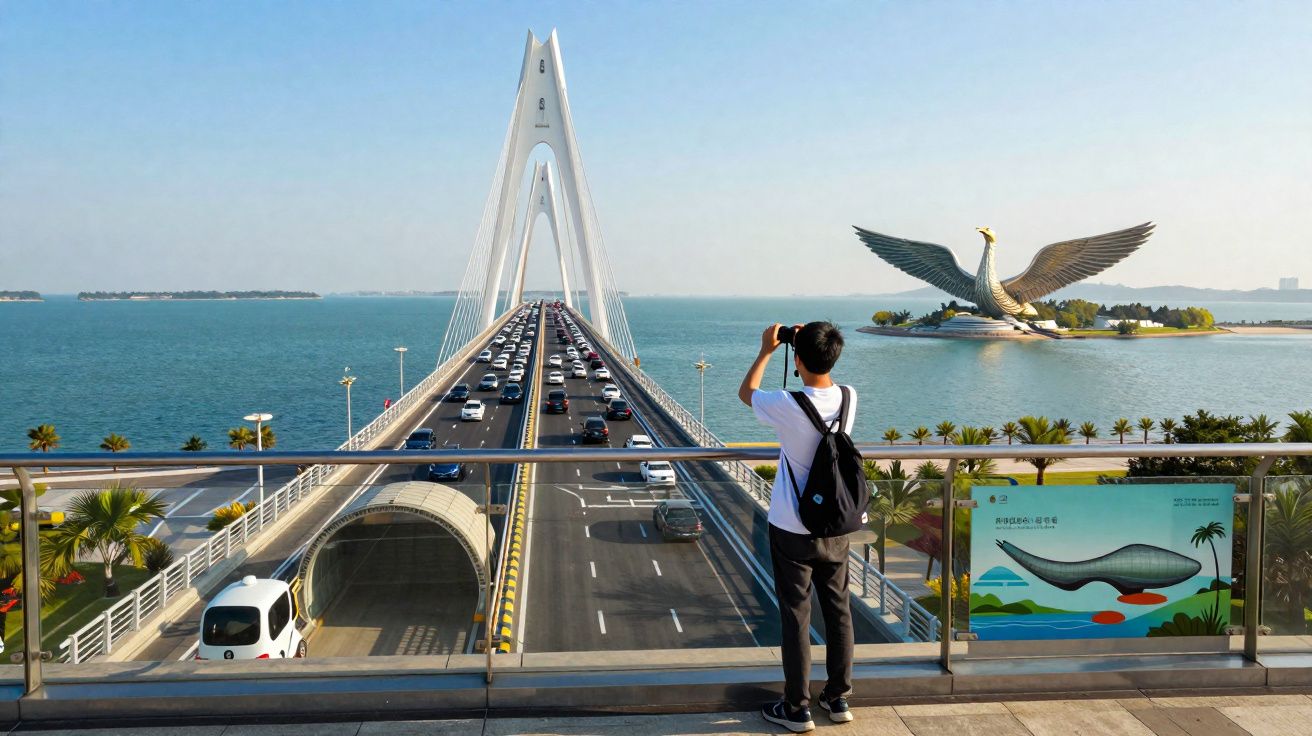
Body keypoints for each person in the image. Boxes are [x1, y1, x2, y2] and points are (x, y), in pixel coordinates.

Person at [738, 321, 856, 733]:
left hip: (791, 526)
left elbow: (745, 393)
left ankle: (797, 707)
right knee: (839, 609)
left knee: (796, 615)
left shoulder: (786, 403)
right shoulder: (848, 396)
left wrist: (767, 349)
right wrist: (807, 343)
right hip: (836, 524)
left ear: (798, 359)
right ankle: (838, 698)